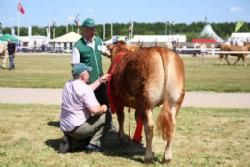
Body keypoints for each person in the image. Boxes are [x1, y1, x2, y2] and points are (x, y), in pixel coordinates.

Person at [71, 18, 115, 130]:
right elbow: (75, 66)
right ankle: (89, 126)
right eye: (90, 29)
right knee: (91, 106)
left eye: (94, 28)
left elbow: (106, 52)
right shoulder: (78, 45)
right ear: (84, 29)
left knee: (106, 102)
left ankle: (109, 123)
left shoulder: (99, 40)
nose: (93, 31)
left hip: (101, 79)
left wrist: (114, 53)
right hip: (87, 83)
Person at [59, 63, 111, 153]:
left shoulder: (68, 84)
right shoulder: (84, 89)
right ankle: (94, 144)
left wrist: (100, 80)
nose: (89, 74)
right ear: (83, 76)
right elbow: (95, 111)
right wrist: (105, 107)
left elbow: (86, 89)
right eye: (88, 72)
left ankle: (72, 140)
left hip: (66, 127)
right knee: (107, 116)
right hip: (77, 130)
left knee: (82, 137)